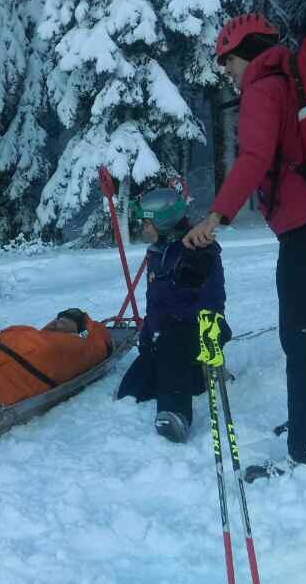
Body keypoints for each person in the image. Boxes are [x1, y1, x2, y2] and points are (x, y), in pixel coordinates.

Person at [184, 13, 306, 477]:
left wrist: (216, 215)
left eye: (228, 65)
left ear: (244, 54)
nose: (228, 74)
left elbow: (255, 157)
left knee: (303, 336)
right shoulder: (290, 79)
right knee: (305, 331)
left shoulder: (264, 86)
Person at [115, 189, 227, 443]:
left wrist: (211, 346)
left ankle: (176, 414)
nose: (143, 228)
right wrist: (146, 337)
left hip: (203, 330)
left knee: (173, 342)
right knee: (131, 390)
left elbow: (213, 301)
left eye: (146, 222)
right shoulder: (157, 252)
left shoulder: (198, 249)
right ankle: (192, 377)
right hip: (168, 335)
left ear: (163, 221)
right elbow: (155, 303)